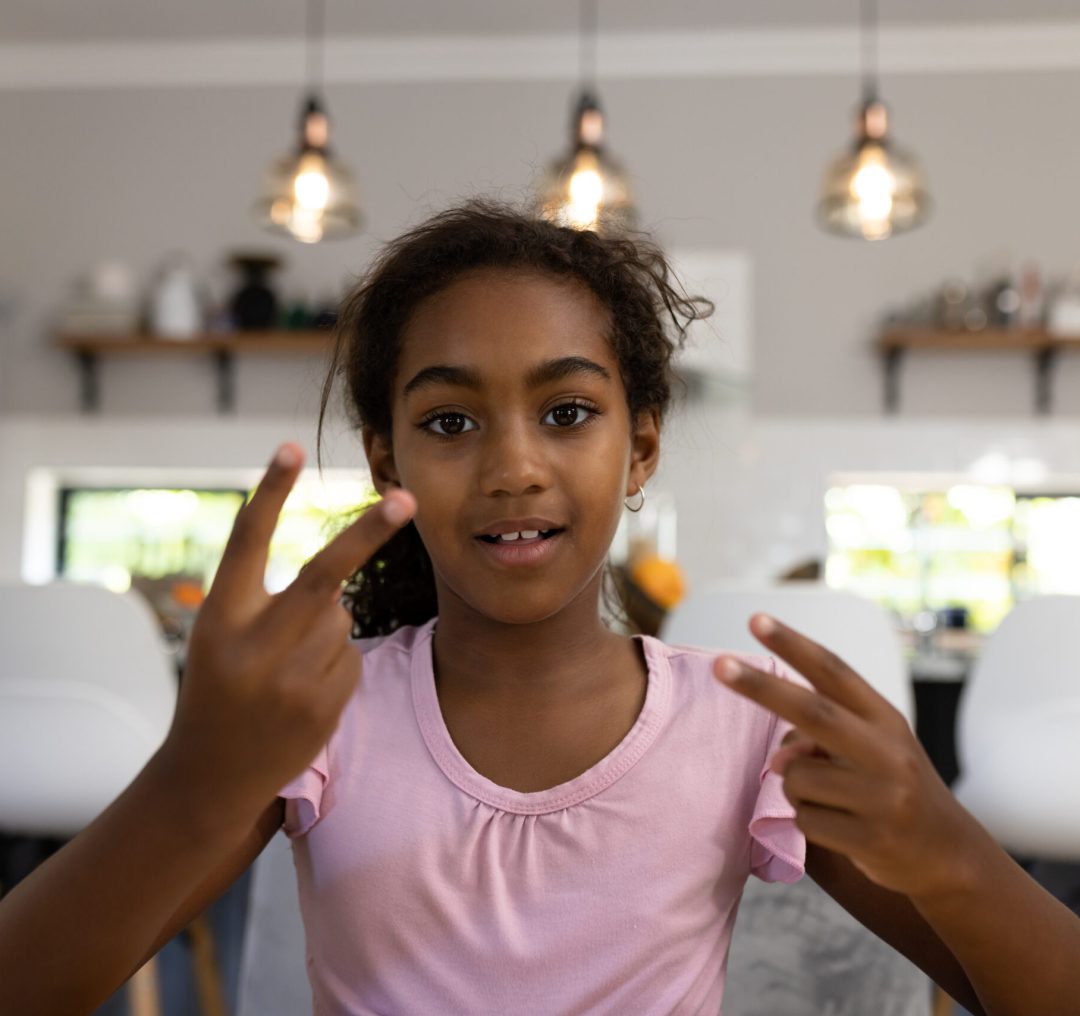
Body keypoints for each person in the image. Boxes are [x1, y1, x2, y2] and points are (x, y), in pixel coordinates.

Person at [1, 202, 1078, 1015]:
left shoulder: (745, 729)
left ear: (640, 444)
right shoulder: (322, 718)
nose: (514, 464)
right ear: (389, 456)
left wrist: (950, 846)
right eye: (451, 421)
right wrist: (194, 779)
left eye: (567, 411)